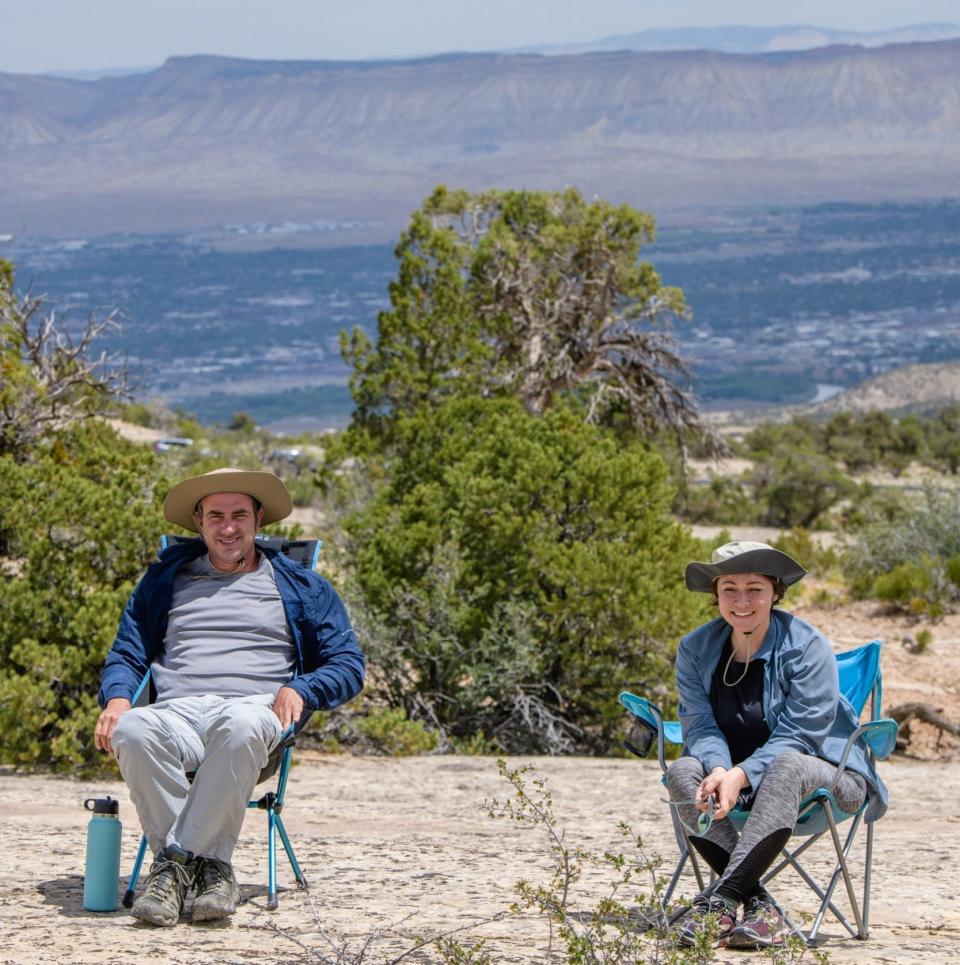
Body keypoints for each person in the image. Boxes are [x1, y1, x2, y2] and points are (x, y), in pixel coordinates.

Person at [94, 467, 365, 927]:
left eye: (240, 514)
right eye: (216, 515)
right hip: (177, 715)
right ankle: (211, 871)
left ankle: (172, 867)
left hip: (254, 714)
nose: (228, 527)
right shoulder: (165, 581)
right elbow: (127, 653)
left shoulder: (302, 587)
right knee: (134, 727)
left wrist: (301, 687)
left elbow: (348, 666)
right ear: (198, 521)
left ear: (259, 519)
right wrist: (118, 699)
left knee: (238, 724)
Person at [666, 541, 887, 950]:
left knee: (787, 763)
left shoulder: (806, 645)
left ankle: (720, 903)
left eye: (755, 588)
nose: (742, 600)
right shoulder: (695, 649)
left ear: (775, 593)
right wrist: (718, 769)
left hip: (827, 779)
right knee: (682, 772)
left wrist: (742, 773)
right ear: (715, 594)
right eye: (729, 588)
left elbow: (802, 733)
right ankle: (760, 908)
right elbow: (698, 723)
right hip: (736, 785)